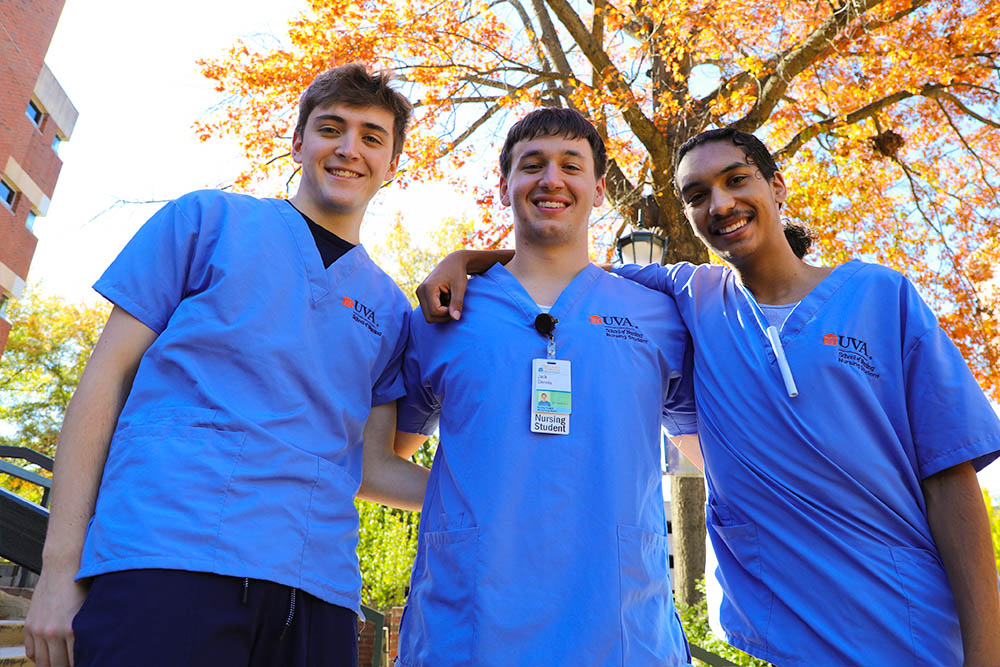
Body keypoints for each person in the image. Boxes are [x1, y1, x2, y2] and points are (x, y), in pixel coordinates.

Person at [418, 127, 1000, 665]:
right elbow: (555, 269)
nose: (719, 204)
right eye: (697, 194)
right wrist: (464, 261)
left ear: (776, 184)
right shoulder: (686, 297)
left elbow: (950, 476)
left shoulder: (881, 296)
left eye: (736, 179)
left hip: (907, 625)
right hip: (786, 637)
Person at [25, 64, 429, 667]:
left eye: (372, 136)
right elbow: (103, 380)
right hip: (166, 555)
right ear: (298, 143)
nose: (349, 149)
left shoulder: (392, 311)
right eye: (331, 129)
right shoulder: (206, 223)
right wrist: (59, 568)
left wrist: (499, 489)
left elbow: (373, 466)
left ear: (392, 164)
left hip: (317, 588)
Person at [392, 108, 696, 665]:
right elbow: (383, 460)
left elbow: (710, 456)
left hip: (622, 630)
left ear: (600, 188)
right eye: (532, 165)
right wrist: (473, 498)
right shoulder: (442, 313)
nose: (551, 179)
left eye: (570, 165)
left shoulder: (661, 316)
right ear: (504, 184)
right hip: (469, 630)